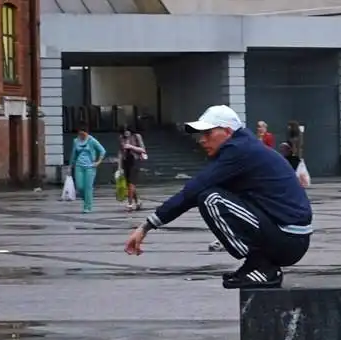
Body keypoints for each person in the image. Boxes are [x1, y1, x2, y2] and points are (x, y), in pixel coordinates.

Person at [124, 105, 312, 289]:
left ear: (228, 131)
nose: (202, 140)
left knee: (211, 199)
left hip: (289, 238)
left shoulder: (239, 150)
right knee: (214, 194)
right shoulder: (245, 147)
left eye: (208, 133)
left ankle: (263, 267)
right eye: (201, 134)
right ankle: (257, 264)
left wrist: (146, 226)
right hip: (289, 235)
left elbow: (193, 191)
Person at [69, 125, 106, 213]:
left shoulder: (92, 141)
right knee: (80, 187)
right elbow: (73, 154)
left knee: (88, 187)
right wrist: (70, 166)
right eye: (80, 134)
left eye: (83, 134)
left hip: (90, 167)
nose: (81, 136)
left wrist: (98, 162)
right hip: (79, 166)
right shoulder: (76, 141)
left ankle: (87, 207)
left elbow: (102, 151)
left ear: (87, 133)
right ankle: (87, 200)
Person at [118, 126, 146, 211]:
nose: (126, 133)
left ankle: (130, 204)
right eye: (124, 131)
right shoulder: (121, 138)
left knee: (131, 183)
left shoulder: (137, 136)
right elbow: (120, 152)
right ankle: (138, 202)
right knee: (128, 184)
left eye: (128, 131)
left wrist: (131, 147)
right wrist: (119, 167)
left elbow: (143, 150)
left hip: (135, 161)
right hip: (126, 162)